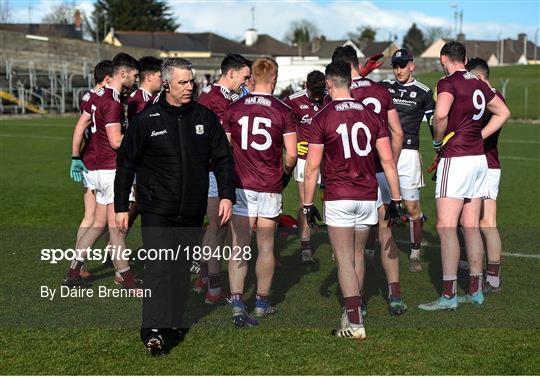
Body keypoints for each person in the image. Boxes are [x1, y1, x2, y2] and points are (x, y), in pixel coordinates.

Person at [114, 58, 236, 355]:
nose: (189, 87)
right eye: (183, 82)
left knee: (180, 269)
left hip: (191, 210)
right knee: (158, 268)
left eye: (191, 81)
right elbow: (126, 163)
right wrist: (121, 206)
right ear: (166, 84)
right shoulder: (147, 120)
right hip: (157, 209)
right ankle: (153, 330)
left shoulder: (204, 118)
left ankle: (175, 322)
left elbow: (223, 158)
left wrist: (227, 195)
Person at [303, 59, 402, 339]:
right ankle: (351, 312)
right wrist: (395, 199)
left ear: (330, 84)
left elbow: (312, 167)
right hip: (368, 193)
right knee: (357, 255)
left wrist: (307, 205)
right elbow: (387, 160)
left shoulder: (323, 116)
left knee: (344, 259)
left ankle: (356, 322)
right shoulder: (371, 115)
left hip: (339, 195)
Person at [418, 41, 510, 311]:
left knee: (446, 227)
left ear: (443, 58)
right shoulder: (479, 82)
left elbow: (441, 113)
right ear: (466, 58)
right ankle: (476, 290)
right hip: (479, 160)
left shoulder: (448, 82)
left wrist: (437, 140)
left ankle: (448, 295)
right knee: (471, 225)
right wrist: (480, 135)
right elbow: (503, 112)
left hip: (456, 158)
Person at [332, 45, 406, 316]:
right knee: (386, 235)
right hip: (381, 172)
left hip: (353, 176)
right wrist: (390, 167)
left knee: (354, 246)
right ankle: (395, 295)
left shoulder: (340, 94)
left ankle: (356, 305)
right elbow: (397, 133)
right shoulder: (380, 90)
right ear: (357, 62)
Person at [223, 57, 297, 327]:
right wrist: (285, 174)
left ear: (251, 79)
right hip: (269, 186)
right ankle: (262, 304)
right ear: (274, 79)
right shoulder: (283, 110)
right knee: (266, 247)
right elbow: (291, 155)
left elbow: (225, 149)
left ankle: (236, 301)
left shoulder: (234, 108)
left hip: (241, 185)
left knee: (239, 247)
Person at [63, 53, 140, 289]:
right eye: (135, 76)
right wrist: (142, 137)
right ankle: (127, 281)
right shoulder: (113, 101)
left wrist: (76, 157)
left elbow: (80, 126)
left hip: (94, 169)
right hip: (110, 171)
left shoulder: (98, 96)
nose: (136, 80)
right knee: (117, 228)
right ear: (123, 74)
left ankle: (73, 273)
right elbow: (117, 142)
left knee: (98, 224)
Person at [195, 53, 251, 304]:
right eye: (244, 77)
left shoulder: (232, 96)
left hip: (223, 170)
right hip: (213, 172)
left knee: (218, 229)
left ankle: (204, 278)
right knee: (218, 230)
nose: (246, 82)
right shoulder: (211, 98)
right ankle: (214, 290)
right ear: (231, 73)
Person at [381, 49, 436, 272]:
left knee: (412, 208)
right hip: (384, 154)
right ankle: (374, 249)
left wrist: (440, 149)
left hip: (408, 156)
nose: (398, 70)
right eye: (395, 65)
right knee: (381, 206)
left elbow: (434, 124)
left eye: (402, 65)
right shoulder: (385, 88)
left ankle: (414, 253)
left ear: (412, 66)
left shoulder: (423, 92)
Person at [465, 57, 506, 293]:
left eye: (471, 78)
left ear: (479, 77)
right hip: (473, 163)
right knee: (467, 220)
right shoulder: (480, 96)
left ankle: (493, 278)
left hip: (488, 166)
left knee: (487, 222)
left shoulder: (494, 97)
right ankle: (472, 266)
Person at [69, 60, 112, 279]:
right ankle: (83, 262)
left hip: (87, 160)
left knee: (91, 216)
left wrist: (76, 156)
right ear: (107, 78)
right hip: (101, 162)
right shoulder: (104, 99)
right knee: (105, 216)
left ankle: (79, 262)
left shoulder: (87, 97)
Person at [283, 70, 327, 263]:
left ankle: (337, 245)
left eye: (320, 94)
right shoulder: (292, 100)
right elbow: (279, 119)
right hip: (303, 160)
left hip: (328, 160)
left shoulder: (330, 98)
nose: (317, 99)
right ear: (306, 86)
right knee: (304, 204)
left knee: (331, 202)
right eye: (313, 95)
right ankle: (305, 247)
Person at [127, 56, 163, 123]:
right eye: (160, 76)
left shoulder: (142, 97)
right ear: (149, 77)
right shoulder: (142, 100)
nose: (162, 80)